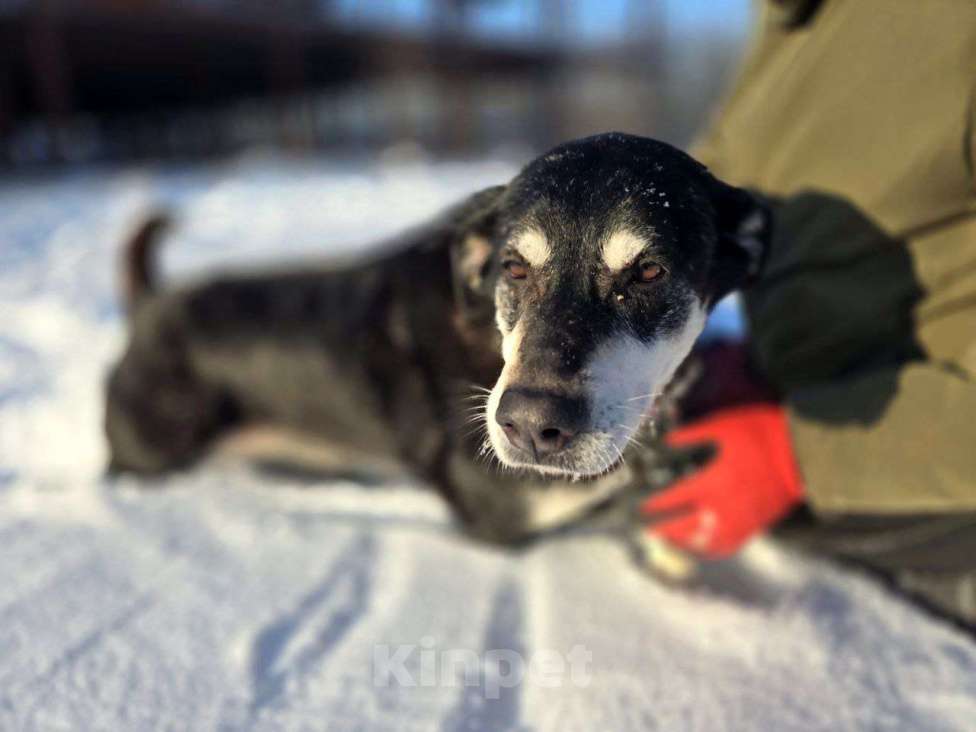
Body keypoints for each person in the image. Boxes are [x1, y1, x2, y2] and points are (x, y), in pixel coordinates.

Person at [642, 0, 976, 626]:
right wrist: (762, 361)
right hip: (809, 418)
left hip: (937, 507)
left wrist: (796, 456)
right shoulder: (798, 18)